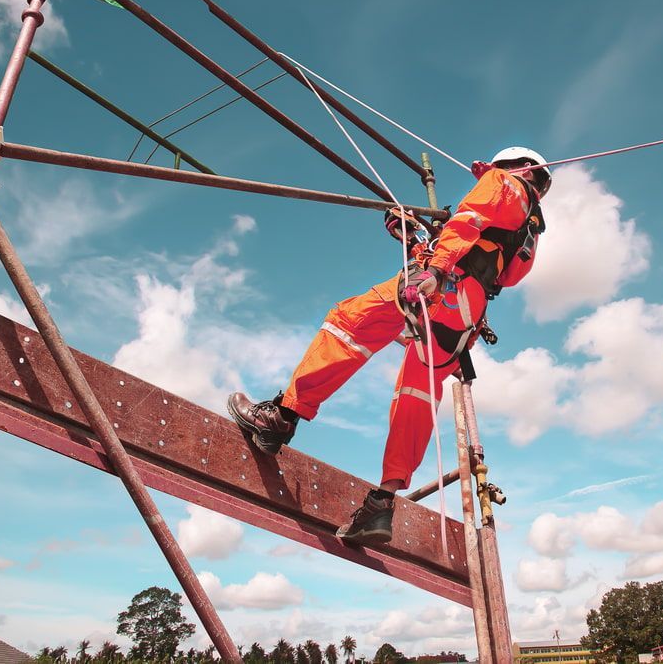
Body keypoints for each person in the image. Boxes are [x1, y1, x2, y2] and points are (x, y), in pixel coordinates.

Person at [227, 146, 552, 544]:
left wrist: (432, 269)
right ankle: (381, 503)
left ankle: (281, 417)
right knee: (415, 397)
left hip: (442, 289)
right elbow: (481, 262)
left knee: (350, 324)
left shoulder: (503, 183)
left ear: (515, 167)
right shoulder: (528, 232)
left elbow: (466, 223)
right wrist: (413, 239)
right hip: (465, 315)